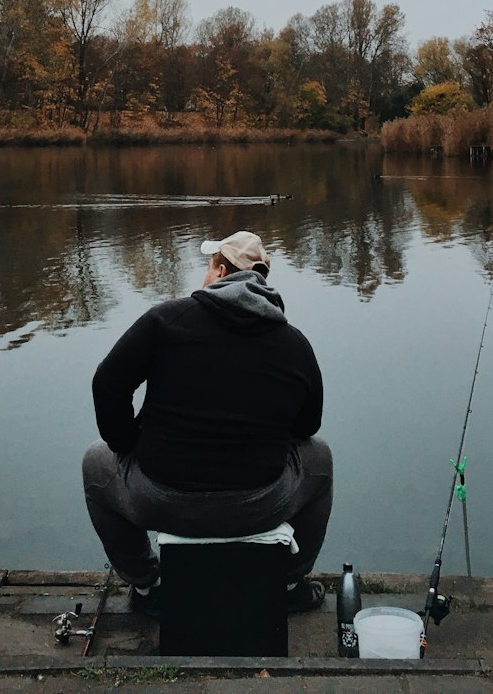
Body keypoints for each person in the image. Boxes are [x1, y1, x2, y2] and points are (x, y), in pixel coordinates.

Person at [82, 230, 333, 619]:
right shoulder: (293, 343)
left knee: (96, 462)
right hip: (261, 503)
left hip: (161, 499)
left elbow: (107, 383)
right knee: (320, 459)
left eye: (207, 267)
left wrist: (126, 442)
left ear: (219, 271)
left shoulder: (164, 321)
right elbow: (307, 427)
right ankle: (287, 584)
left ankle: (149, 587)